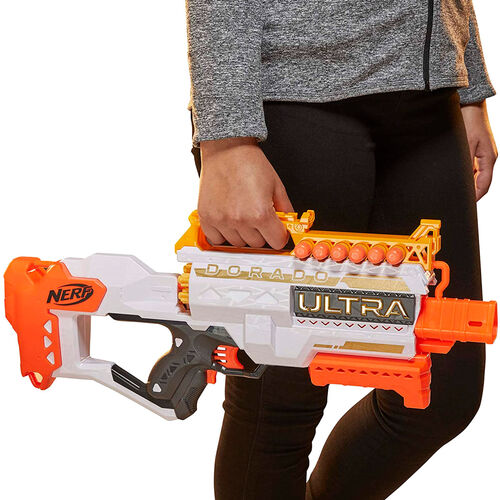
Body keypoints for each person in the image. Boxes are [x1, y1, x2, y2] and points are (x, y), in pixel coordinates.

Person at [185, 1, 497, 499]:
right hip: (292, 97)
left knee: (441, 392)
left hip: (429, 95)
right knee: (279, 402)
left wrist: (468, 84)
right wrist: (226, 139)